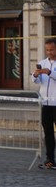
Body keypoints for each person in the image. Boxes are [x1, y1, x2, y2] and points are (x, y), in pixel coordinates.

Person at [32, 38, 56, 169]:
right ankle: (50, 160)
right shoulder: (43, 62)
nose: (49, 52)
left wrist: (50, 72)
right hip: (45, 103)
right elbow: (36, 81)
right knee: (48, 133)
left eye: (52, 49)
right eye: (47, 50)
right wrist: (36, 75)